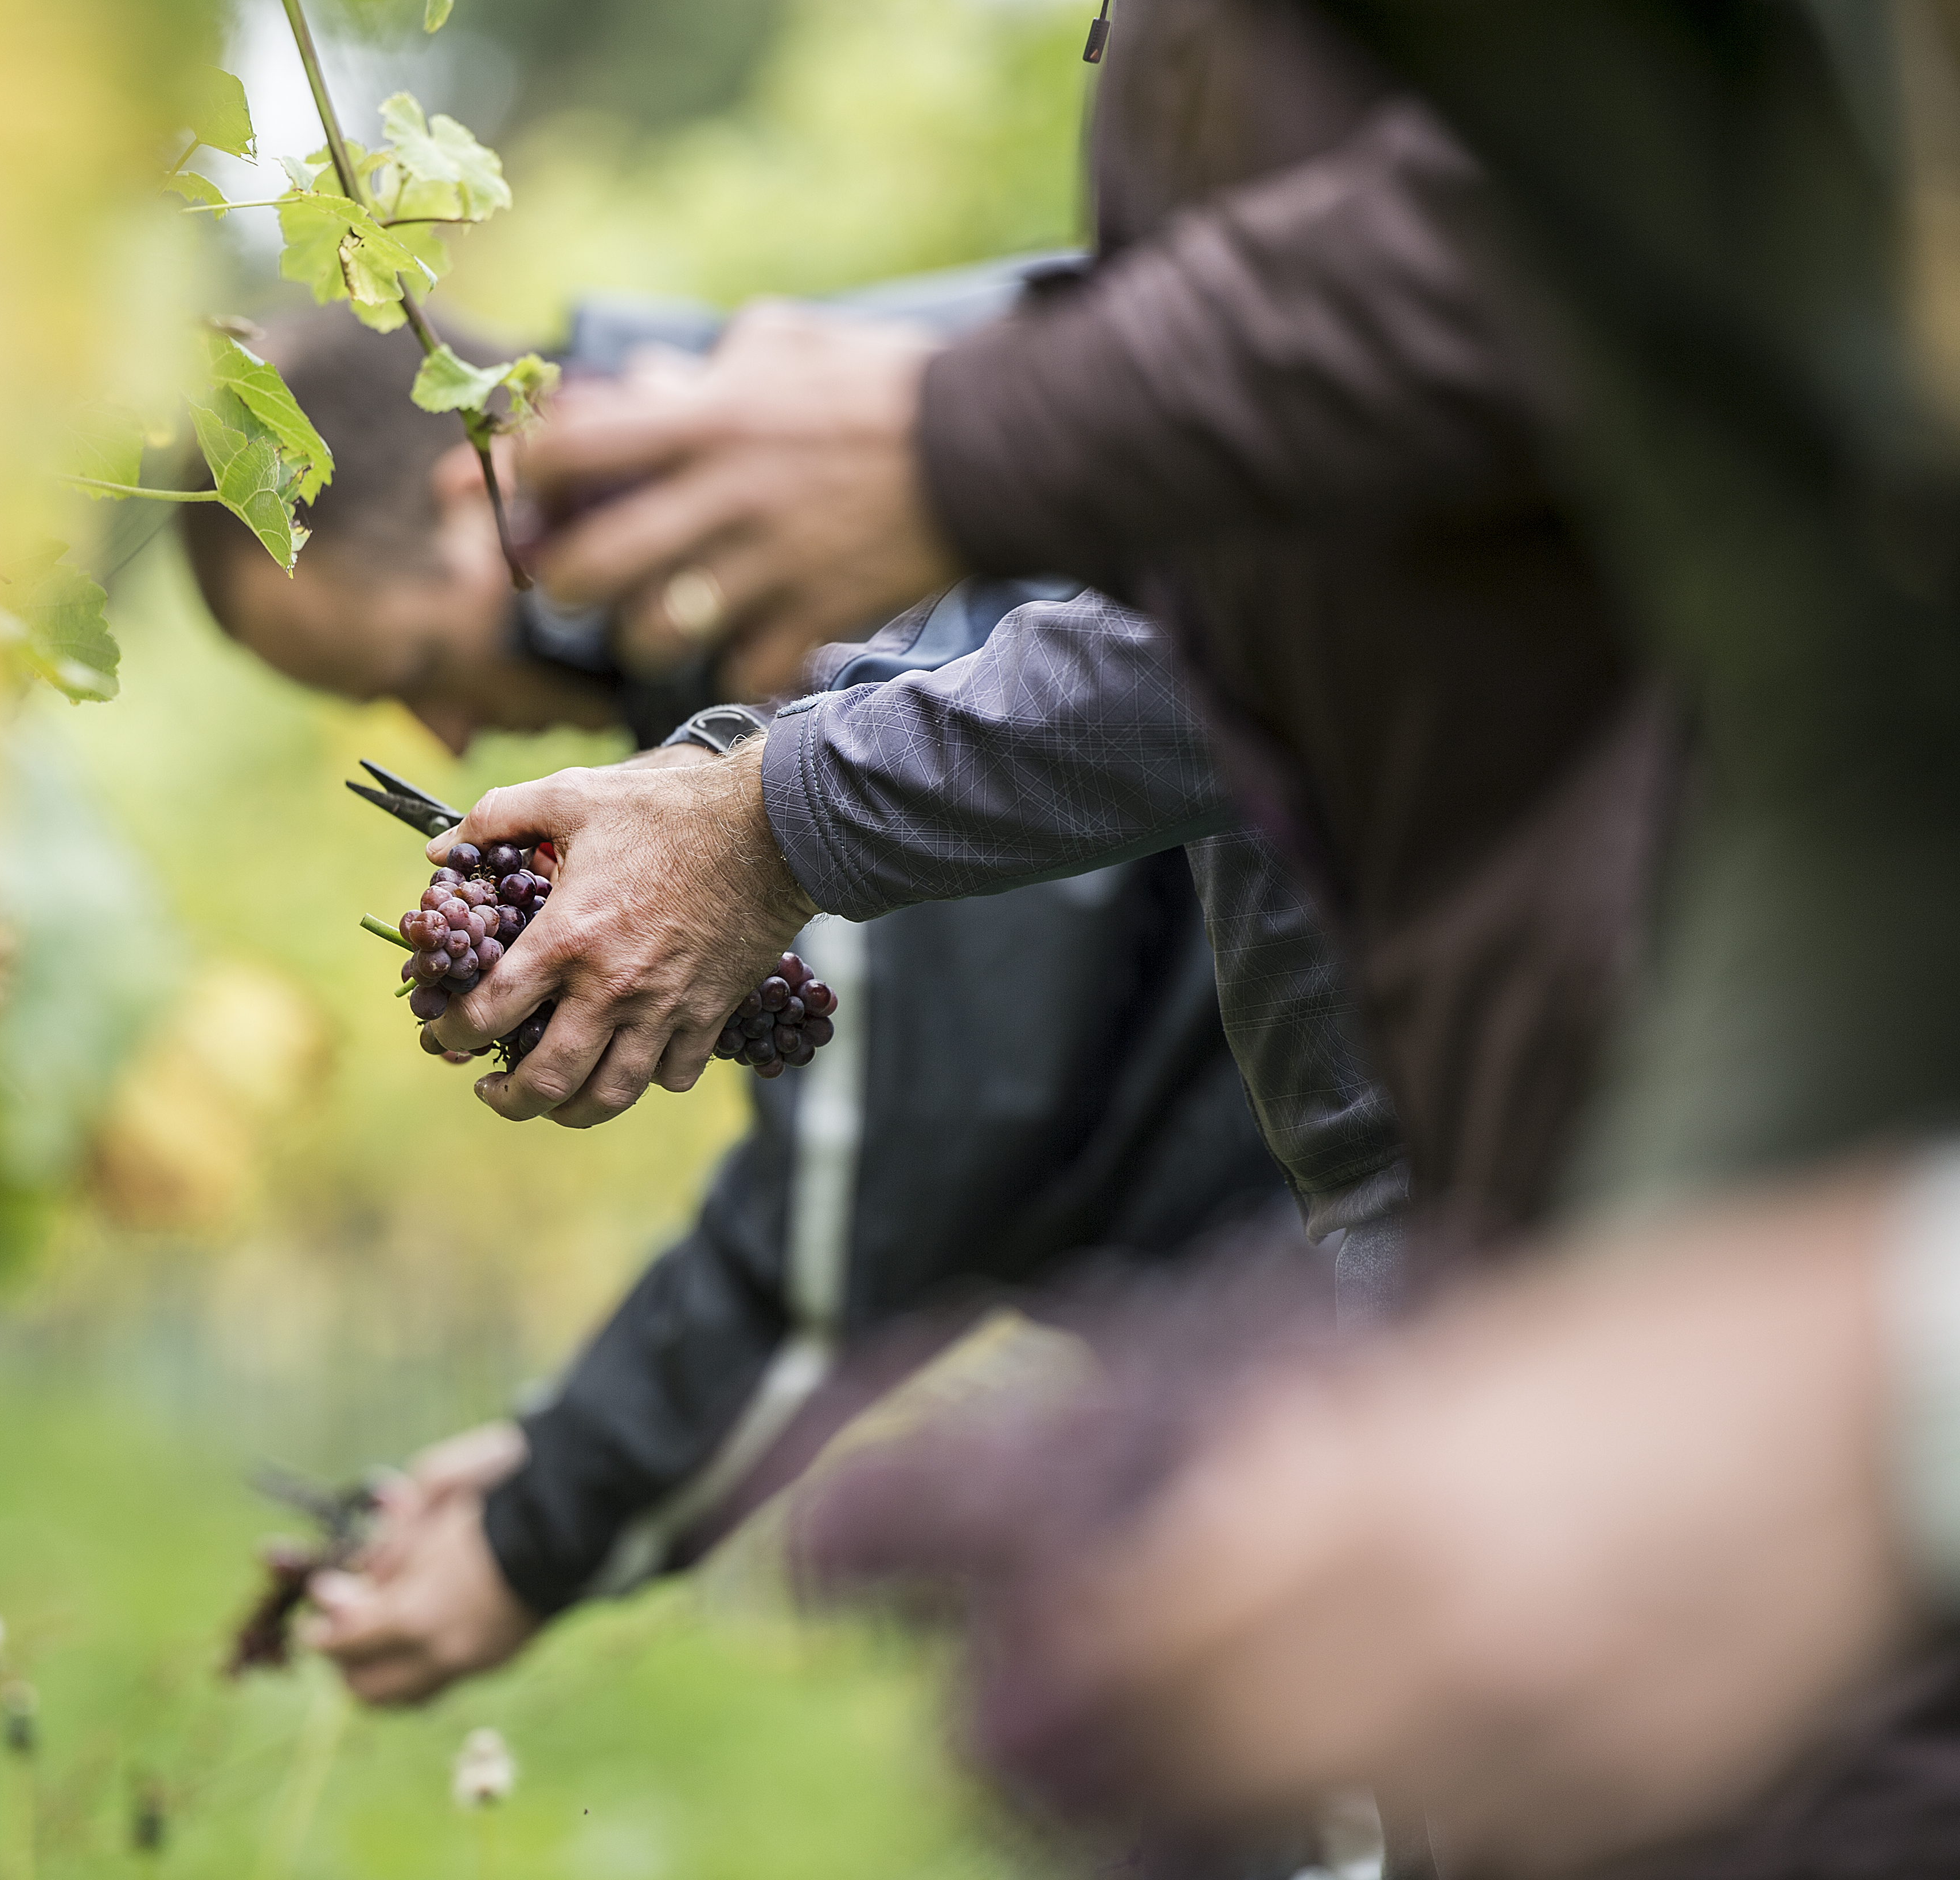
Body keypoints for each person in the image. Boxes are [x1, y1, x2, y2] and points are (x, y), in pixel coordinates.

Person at [398, 0, 1960, 1868]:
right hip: (1575, 1214)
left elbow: (1475, 341)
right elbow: (1842, 725)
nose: (438, 732)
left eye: (404, 658)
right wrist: (1684, 1319)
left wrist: (1859, 1364)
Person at [177, 306, 1406, 1708]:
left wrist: (542, 1527)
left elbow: (890, 1158)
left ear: (478, 501)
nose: (444, 736)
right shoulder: (789, 528)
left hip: (1442, 1208)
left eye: (411, 670)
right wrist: (549, 1454)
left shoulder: (822, 550)